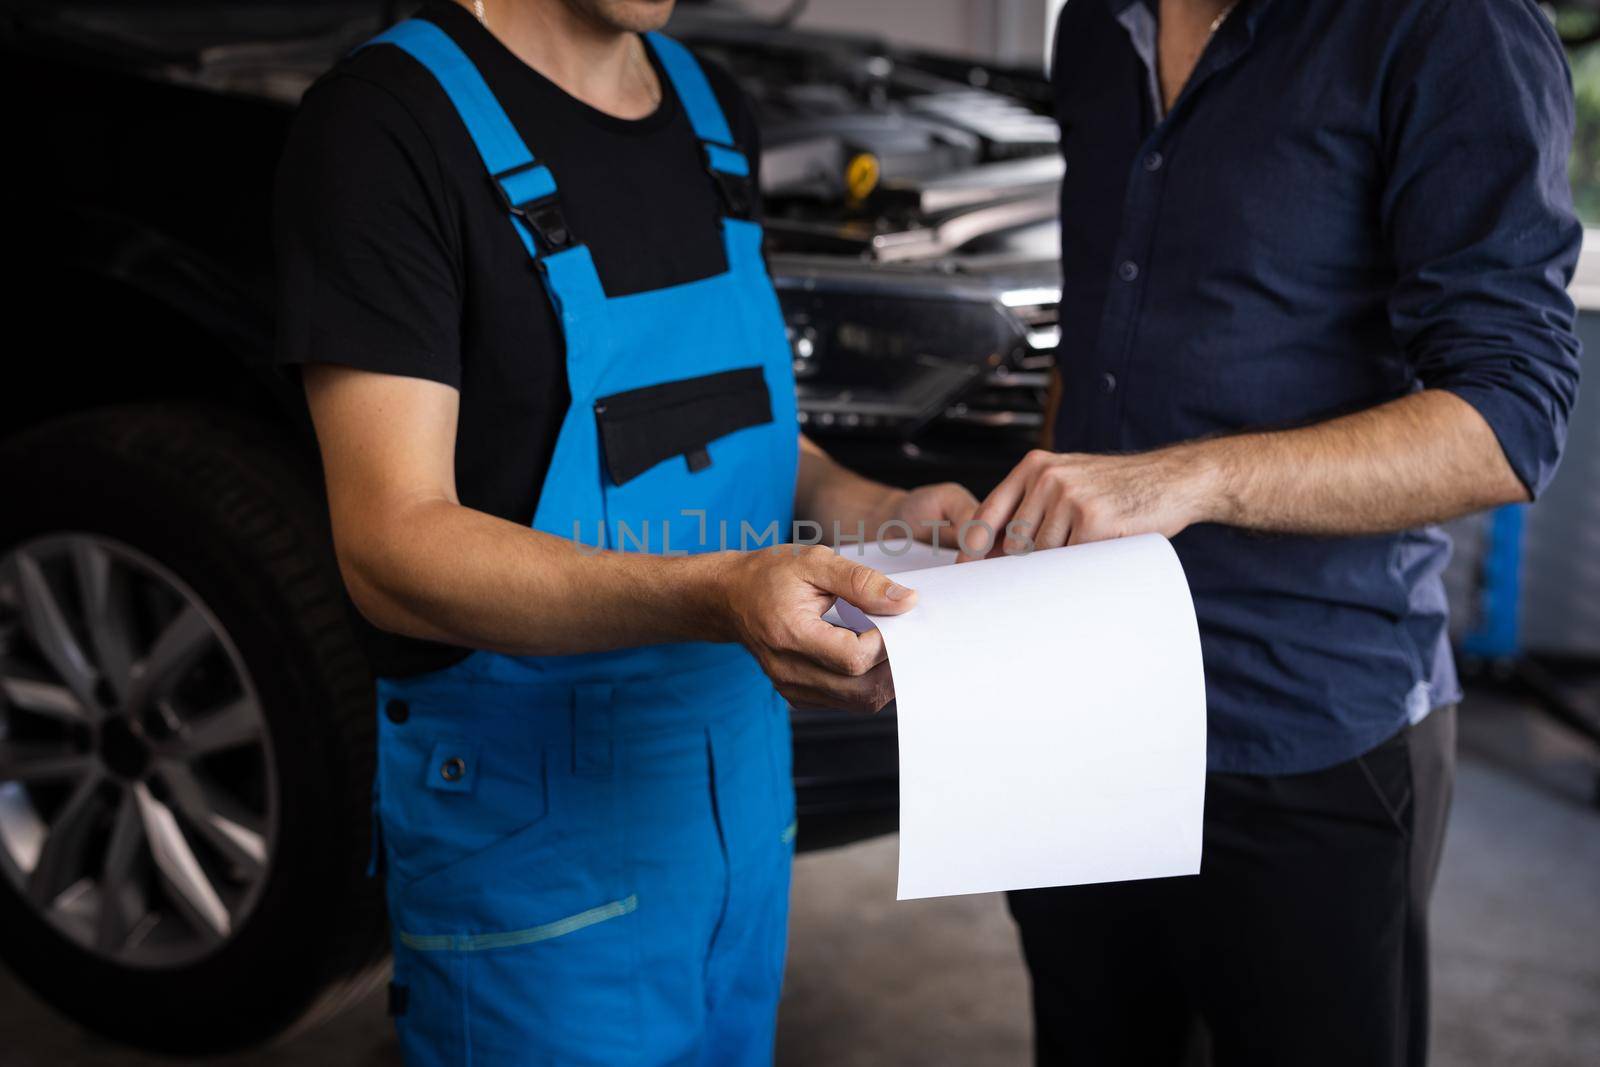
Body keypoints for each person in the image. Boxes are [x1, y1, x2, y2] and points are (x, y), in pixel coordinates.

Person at [273, 1, 977, 1062]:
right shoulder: (384, 127)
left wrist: (882, 512)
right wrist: (714, 593)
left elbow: (736, 443)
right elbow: (391, 546)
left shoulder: (707, 107)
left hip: (738, 810)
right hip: (537, 849)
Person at [962, 1, 1582, 1065]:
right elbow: (1100, 330)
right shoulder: (1094, 33)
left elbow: (1509, 417)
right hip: (1078, 708)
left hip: (1306, 716)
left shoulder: (1450, 26)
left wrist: (1191, 477)